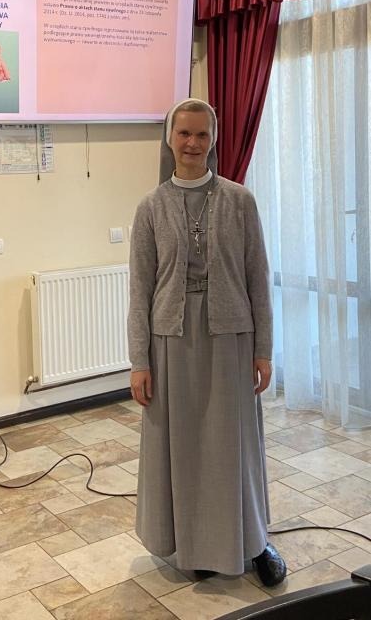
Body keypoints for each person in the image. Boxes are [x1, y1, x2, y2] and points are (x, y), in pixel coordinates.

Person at [128, 98, 287, 587]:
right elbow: (140, 289)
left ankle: (253, 541)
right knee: (184, 445)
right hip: (171, 340)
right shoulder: (150, 208)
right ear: (170, 139)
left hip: (231, 335)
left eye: (202, 134)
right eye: (184, 134)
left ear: (213, 139)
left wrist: (263, 349)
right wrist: (139, 360)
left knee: (234, 444)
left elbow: (258, 278)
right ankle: (194, 543)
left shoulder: (241, 201)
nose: (193, 143)